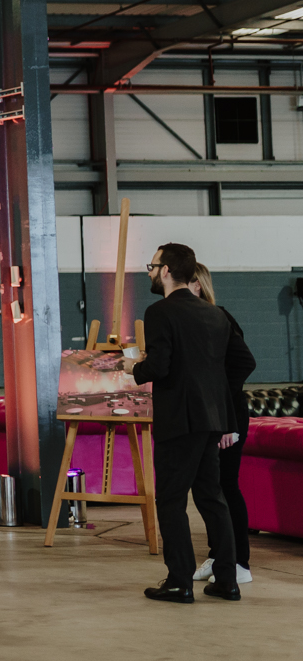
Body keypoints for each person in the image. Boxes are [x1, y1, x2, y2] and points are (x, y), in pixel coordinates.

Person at [130, 243, 253, 603]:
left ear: (166, 270)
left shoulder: (159, 312)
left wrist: (134, 368)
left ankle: (179, 581)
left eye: (152, 266)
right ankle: (227, 579)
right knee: (212, 498)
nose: (150, 272)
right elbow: (232, 366)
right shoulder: (215, 315)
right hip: (213, 419)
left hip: (179, 420)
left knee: (170, 500)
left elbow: (160, 366)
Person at [191, 266, 256, 587]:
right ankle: (219, 555)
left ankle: (239, 562)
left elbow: (244, 363)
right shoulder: (194, 319)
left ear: (196, 285)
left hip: (228, 417)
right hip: (210, 415)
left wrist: (226, 418)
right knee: (210, 489)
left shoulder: (219, 317)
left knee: (226, 486)